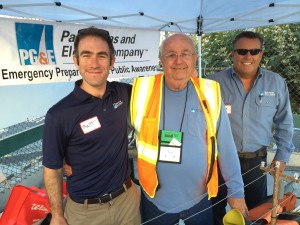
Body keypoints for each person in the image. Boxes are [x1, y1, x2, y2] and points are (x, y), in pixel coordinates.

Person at [130, 33, 248, 225]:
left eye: (185, 54)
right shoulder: (142, 91)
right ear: (161, 60)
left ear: (195, 59)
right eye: (171, 54)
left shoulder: (210, 93)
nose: (178, 61)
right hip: (154, 200)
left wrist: (236, 191)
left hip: (199, 200)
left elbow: (225, 147)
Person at [42, 27, 140, 225]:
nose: (94, 63)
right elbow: (51, 170)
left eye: (101, 56)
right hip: (85, 212)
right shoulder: (58, 114)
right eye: (86, 55)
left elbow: (160, 90)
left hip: (127, 201)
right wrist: (57, 215)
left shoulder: (123, 93)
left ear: (112, 61)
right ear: (76, 60)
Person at [209, 31, 295, 224]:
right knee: (214, 210)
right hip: (219, 162)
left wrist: (282, 156)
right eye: (242, 51)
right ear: (232, 54)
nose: (248, 56)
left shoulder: (276, 82)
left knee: (255, 214)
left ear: (261, 54)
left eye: (254, 51)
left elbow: (285, 122)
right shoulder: (213, 83)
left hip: (256, 163)